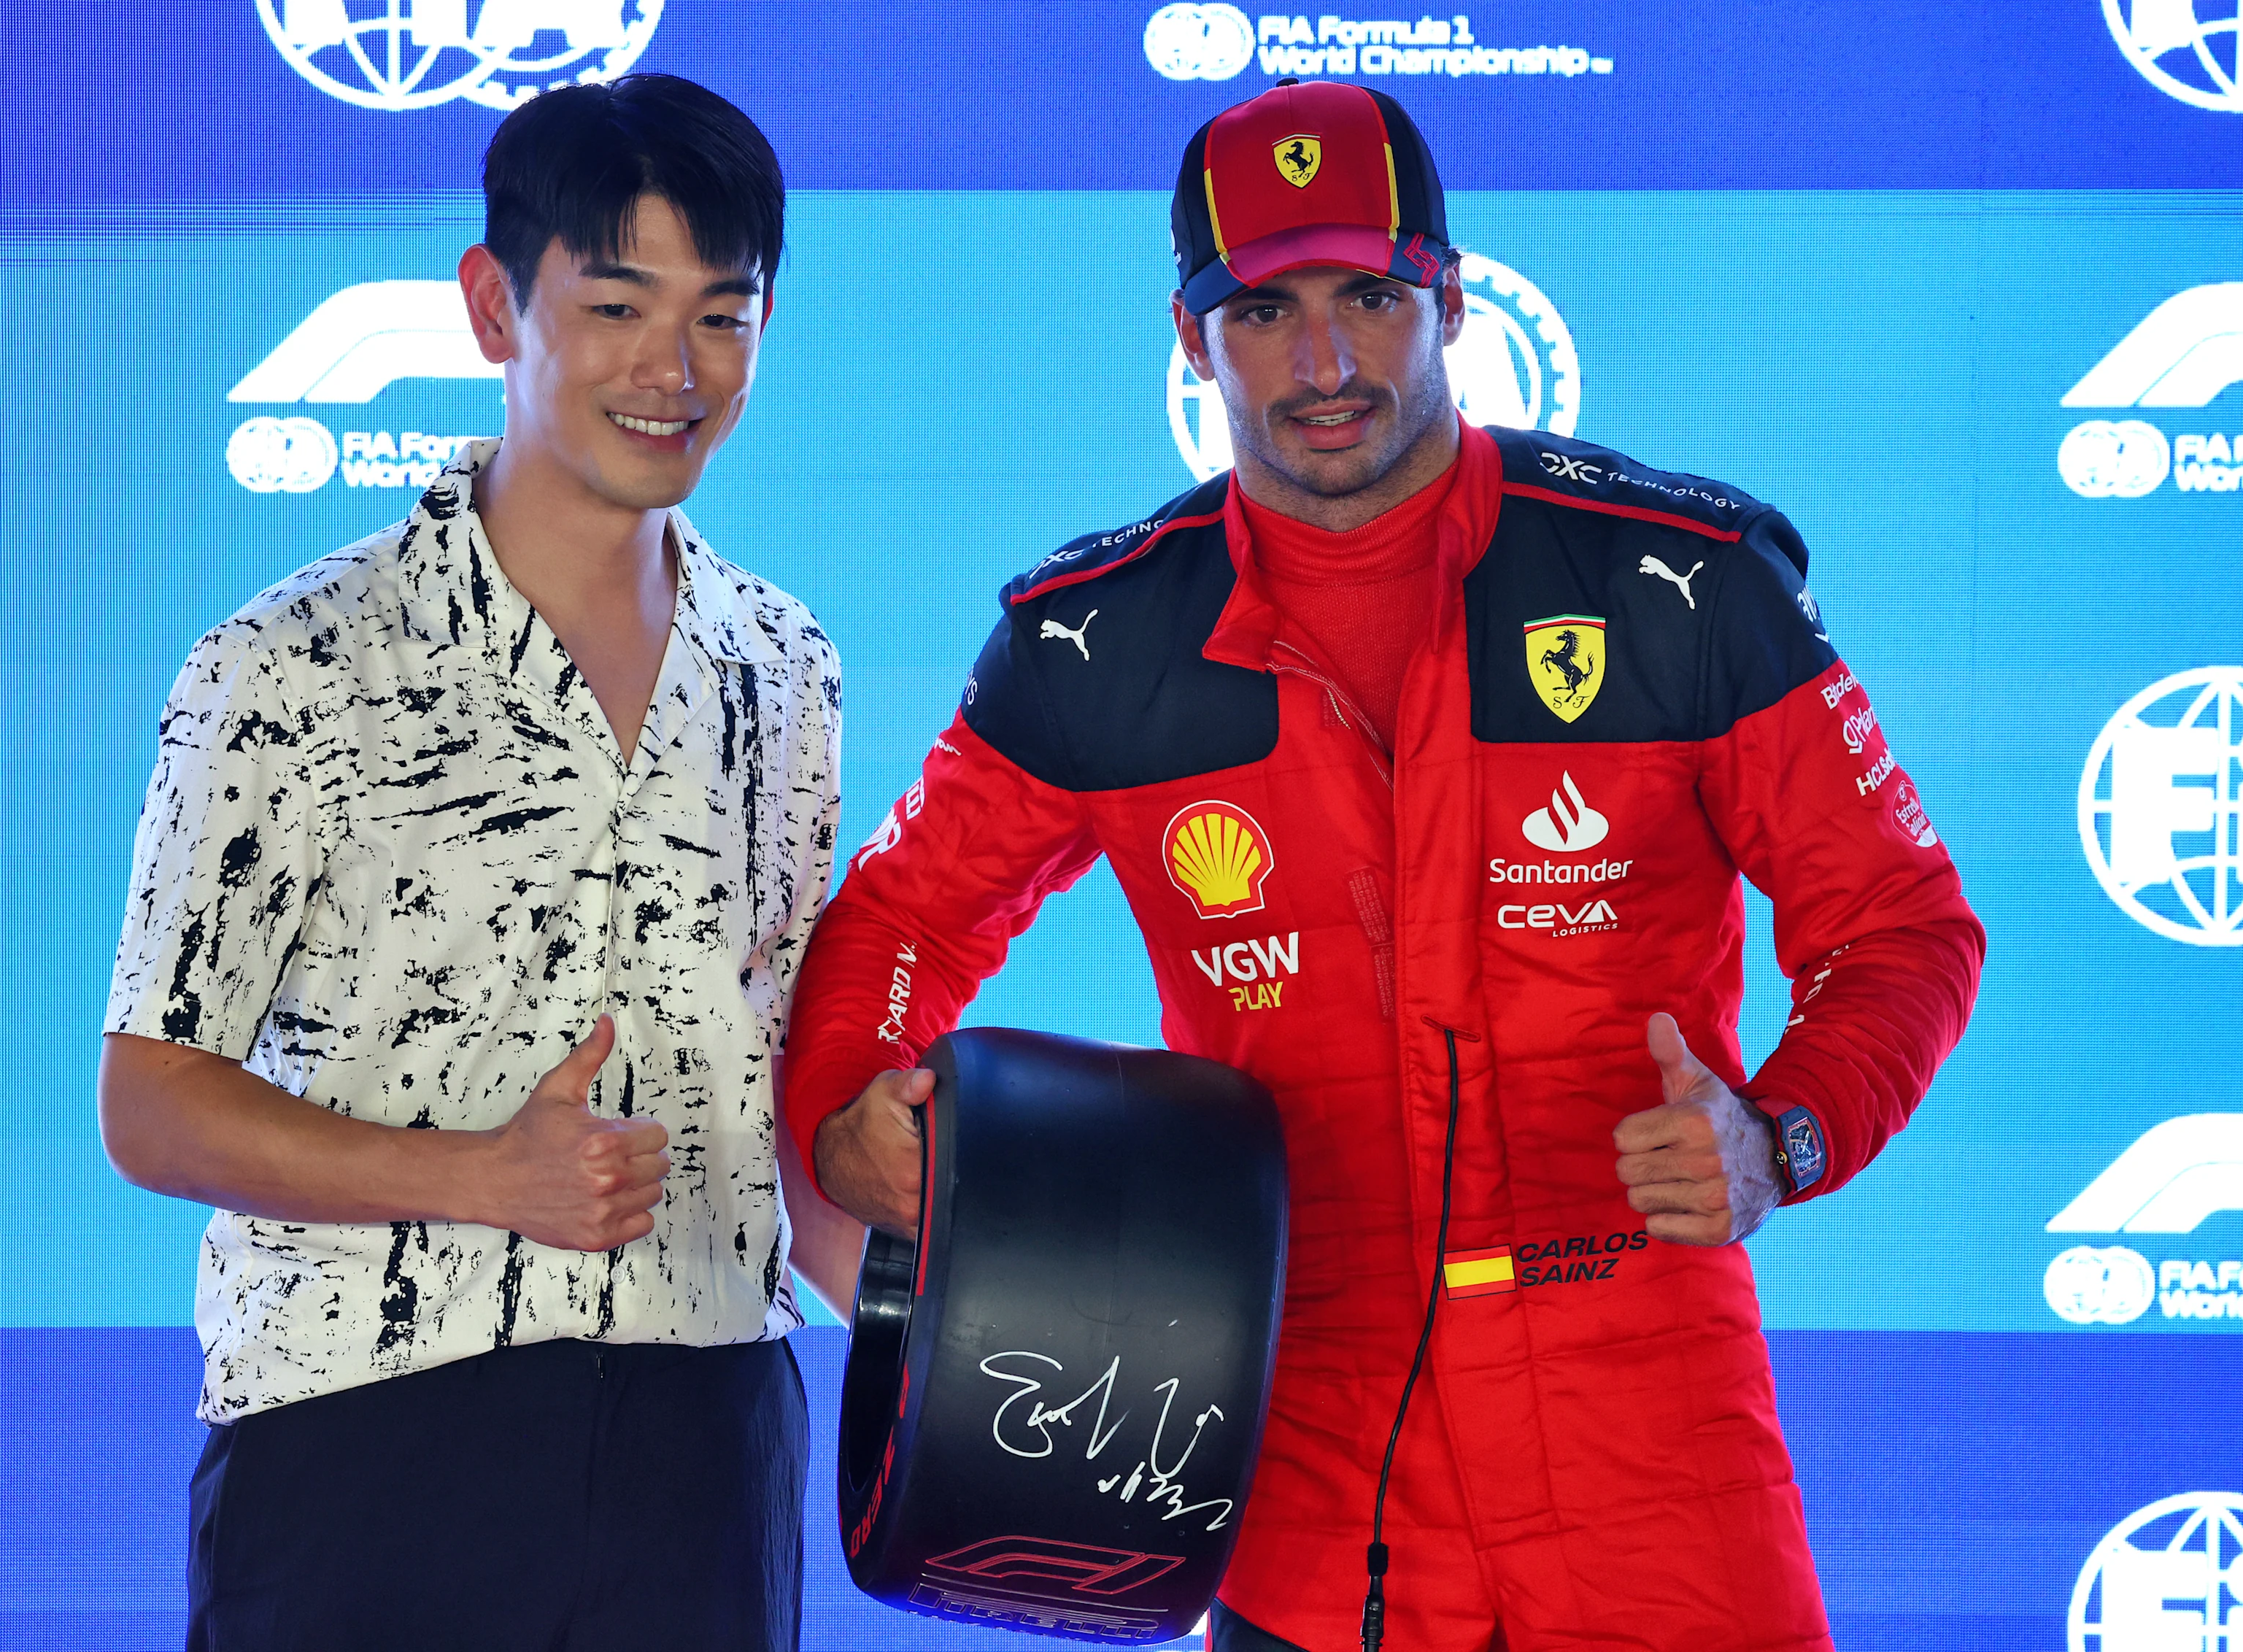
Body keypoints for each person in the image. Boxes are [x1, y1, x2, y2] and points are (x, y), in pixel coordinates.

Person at [782, 80, 1983, 1652]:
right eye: (1263, 309)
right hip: (1300, 1440)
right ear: (1189, 334)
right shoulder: (1095, 640)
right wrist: (852, 1106)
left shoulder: (1673, 585)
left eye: (1370, 296)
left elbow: (1897, 924)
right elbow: (903, 915)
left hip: (1650, 1421)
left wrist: (1781, 1132)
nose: (1326, 362)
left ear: (1453, 296)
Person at [99, 75, 860, 1652]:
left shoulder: (786, 668)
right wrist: (482, 1180)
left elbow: (770, 1066)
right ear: (492, 303)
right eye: (619, 305)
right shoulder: (295, 663)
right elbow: (151, 1097)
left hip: (712, 1433)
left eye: (726, 315)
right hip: (370, 1433)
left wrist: (925, 1281)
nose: (676, 369)